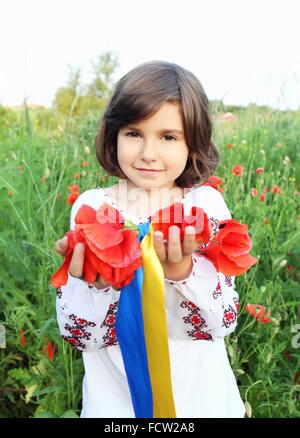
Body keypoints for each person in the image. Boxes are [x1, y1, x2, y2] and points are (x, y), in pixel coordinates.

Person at [54, 60, 245, 418]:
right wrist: (98, 287)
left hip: (201, 402)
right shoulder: (94, 208)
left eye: (168, 137)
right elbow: (81, 336)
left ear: (194, 142)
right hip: (116, 404)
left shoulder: (204, 206)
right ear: (113, 134)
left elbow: (220, 323)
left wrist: (180, 271)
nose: (148, 153)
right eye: (133, 133)